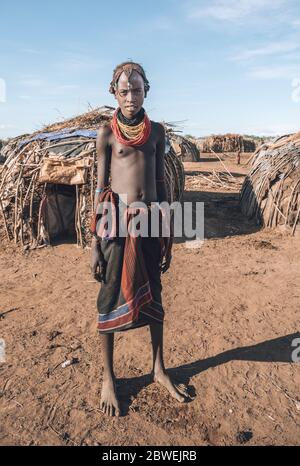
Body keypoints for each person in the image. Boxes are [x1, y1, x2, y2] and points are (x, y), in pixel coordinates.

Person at [90, 62, 190, 416]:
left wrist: (167, 234)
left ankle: (159, 368)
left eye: (136, 89)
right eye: (124, 90)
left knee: (156, 299)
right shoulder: (107, 134)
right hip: (117, 224)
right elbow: (102, 188)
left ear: (147, 89)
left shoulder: (158, 133)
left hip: (150, 223)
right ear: (113, 92)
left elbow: (161, 185)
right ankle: (108, 377)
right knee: (108, 298)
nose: (131, 96)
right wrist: (96, 246)